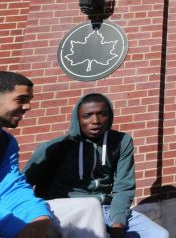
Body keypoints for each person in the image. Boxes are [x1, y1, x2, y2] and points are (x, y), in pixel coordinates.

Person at [24, 93, 168, 238]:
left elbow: (124, 187)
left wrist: (117, 224)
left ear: (110, 116)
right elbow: (22, 185)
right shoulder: (56, 147)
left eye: (102, 114)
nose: (96, 121)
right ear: (77, 119)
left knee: (159, 235)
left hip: (107, 209)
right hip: (72, 211)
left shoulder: (121, 142)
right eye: (87, 116)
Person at [0, 71, 55, 238]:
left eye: (29, 100)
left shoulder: (6, 142)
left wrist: (37, 216)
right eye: (21, 99)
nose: (28, 107)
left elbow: (9, 186)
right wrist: (13, 226)